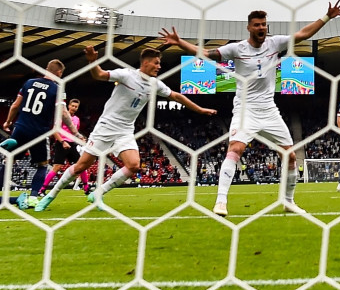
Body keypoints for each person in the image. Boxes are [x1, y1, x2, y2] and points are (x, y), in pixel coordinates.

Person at [159, 1, 340, 215]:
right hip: (245, 110)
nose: (261, 28)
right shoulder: (236, 49)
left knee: (291, 157)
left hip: (269, 110)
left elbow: (303, 34)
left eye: (264, 24)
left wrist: (327, 17)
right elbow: (206, 54)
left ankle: (288, 201)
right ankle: (221, 202)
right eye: (257, 25)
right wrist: (179, 42)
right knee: (235, 150)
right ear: (249, 27)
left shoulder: (275, 43)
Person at [35, 47, 215, 212]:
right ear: (145, 62)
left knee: (134, 165)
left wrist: (199, 109)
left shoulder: (155, 84)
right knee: (82, 166)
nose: (159, 66)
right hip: (105, 127)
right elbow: (99, 75)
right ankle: (50, 196)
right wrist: (92, 61)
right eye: (156, 62)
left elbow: (176, 95)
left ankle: (98, 194)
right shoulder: (126, 75)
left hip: (125, 131)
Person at [1, 60, 81, 209]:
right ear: (59, 73)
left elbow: (15, 105)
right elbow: (63, 113)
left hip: (21, 128)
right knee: (42, 165)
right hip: (39, 132)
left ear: (46, 69)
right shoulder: (57, 88)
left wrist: (7, 122)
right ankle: (33, 197)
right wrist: (75, 132)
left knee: (9, 161)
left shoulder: (29, 82)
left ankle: (2, 195)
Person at [41, 98, 91, 196]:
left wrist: (81, 139)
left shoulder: (77, 119)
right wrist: (62, 142)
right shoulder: (62, 116)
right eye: (72, 106)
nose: (74, 108)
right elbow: (55, 131)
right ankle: (42, 189)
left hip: (72, 144)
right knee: (57, 167)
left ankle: (86, 188)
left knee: (81, 165)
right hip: (61, 143)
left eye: (76, 107)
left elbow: (75, 132)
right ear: (68, 106)